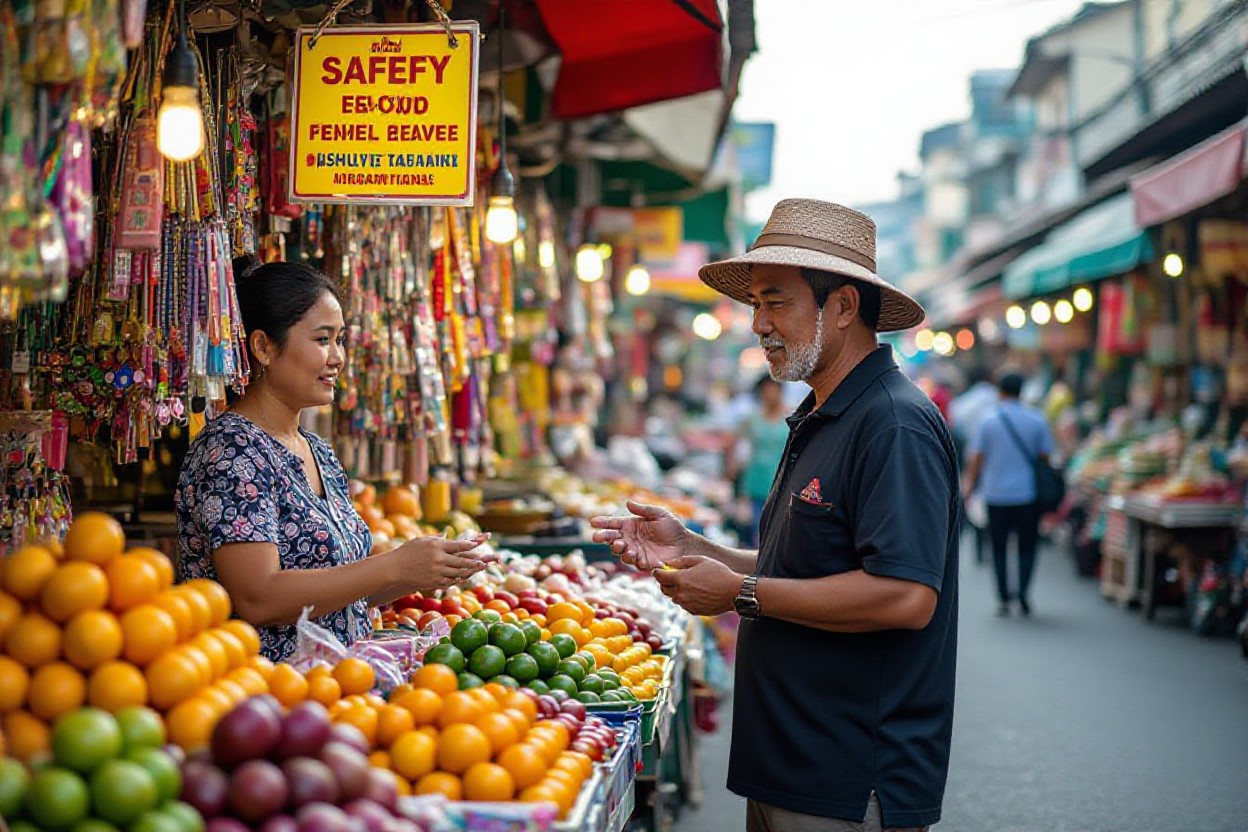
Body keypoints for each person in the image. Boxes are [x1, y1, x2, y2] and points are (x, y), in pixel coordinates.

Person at [592, 199, 959, 832]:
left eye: (776, 301)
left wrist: (741, 595)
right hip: (791, 764)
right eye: (755, 304)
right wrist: (693, 548)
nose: (758, 323)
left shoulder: (893, 423)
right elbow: (807, 567)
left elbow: (904, 596)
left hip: (847, 777)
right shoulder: (824, 413)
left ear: (843, 307)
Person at [175, 258, 491, 662]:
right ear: (263, 347)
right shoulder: (230, 451)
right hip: (264, 695)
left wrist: (424, 568)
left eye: (340, 340)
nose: (338, 357)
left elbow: (342, 589)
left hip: (336, 691)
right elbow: (259, 598)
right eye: (323, 340)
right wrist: (394, 566)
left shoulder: (316, 450)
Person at [962, 372, 1056, 617]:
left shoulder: (987, 421)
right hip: (1027, 494)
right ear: (1021, 391)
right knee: (1027, 546)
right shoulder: (1037, 419)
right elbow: (1045, 456)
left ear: (1000, 392)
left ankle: (1003, 597)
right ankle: (1023, 591)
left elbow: (976, 458)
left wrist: (970, 485)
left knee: (999, 547)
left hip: (996, 494)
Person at [726, 376, 791, 546]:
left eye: (773, 390)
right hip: (755, 481)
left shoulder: (791, 418)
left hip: (781, 482)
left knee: (776, 532)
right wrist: (731, 466)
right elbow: (733, 442)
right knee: (755, 530)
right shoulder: (752, 419)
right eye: (766, 390)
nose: (770, 395)